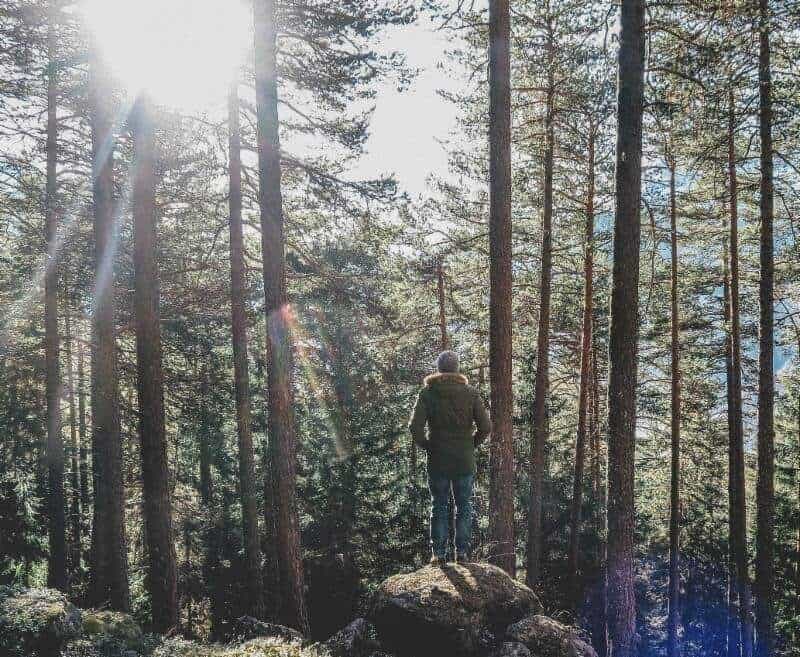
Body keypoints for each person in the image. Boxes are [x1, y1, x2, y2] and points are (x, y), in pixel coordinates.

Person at [409, 350, 491, 565]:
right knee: (464, 506)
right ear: (456, 368)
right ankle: (462, 553)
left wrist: (428, 446)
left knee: (439, 505)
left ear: (439, 368)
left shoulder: (427, 393)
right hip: (464, 459)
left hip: (438, 460)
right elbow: (486, 427)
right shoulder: (471, 393)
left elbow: (414, 427)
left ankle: (438, 554)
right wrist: (470, 445)